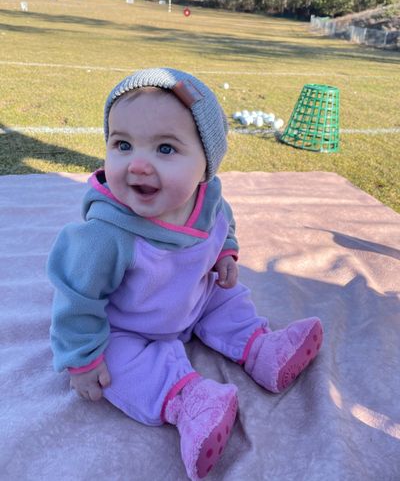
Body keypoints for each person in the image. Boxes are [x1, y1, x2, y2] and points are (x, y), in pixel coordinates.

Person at [48, 68, 323, 481]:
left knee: (228, 295)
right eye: (122, 144)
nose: (137, 165)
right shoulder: (104, 236)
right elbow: (75, 299)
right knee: (116, 365)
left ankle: (261, 349)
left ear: (205, 166)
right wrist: (81, 359)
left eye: (165, 149)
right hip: (130, 325)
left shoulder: (208, 197)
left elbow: (222, 220)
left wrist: (226, 253)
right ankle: (190, 401)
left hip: (195, 296)